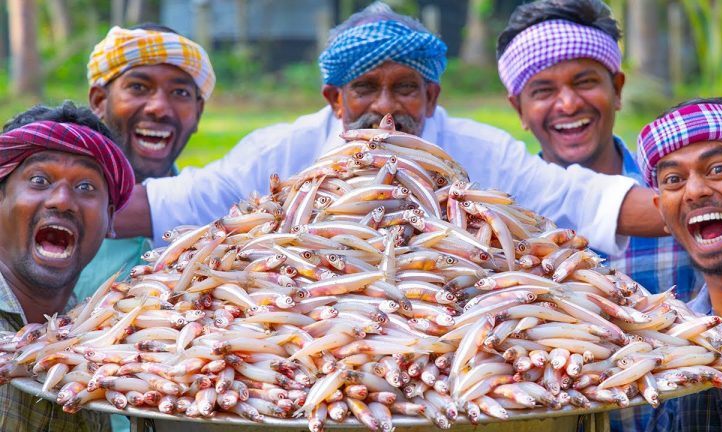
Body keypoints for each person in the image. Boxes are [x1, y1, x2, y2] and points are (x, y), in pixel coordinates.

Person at [115, 1, 665, 255]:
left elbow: (574, 197)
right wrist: (64, 202)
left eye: (405, 88)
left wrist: (704, 204)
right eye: (365, 89)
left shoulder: (477, 149)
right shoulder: (282, 149)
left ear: (431, 96)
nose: (385, 109)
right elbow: (184, 201)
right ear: (334, 98)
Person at [496, 0, 702, 337]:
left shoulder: (679, 193)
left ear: (617, 90)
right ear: (519, 108)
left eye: (585, 82)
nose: (568, 103)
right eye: (543, 90)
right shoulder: (507, 216)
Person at [0, 102, 134, 431]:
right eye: (40, 180)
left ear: (110, 220)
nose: (61, 200)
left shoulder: (99, 353)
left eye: (85, 187)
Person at [639, 97, 722, 431]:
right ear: (661, 212)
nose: (694, 191)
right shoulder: (669, 341)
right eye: (673, 179)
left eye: (717, 170)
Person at [74, 23, 213, 302]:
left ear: (198, 113)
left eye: (180, 93)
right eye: (138, 87)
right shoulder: (57, 211)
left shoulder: (212, 213)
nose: (159, 108)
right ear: (99, 101)